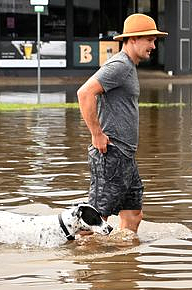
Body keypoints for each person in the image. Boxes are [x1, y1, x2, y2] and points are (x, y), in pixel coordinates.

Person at [76, 13, 168, 233]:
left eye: (154, 40)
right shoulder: (120, 65)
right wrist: (96, 134)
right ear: (133, 39)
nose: (153, 46)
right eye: (150, 40)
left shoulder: (128, 66)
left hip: (126, 156)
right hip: (112, 154)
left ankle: (125, 264)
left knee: (134, 215)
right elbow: (85, 93)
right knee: (95, 220)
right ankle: (85, 264)